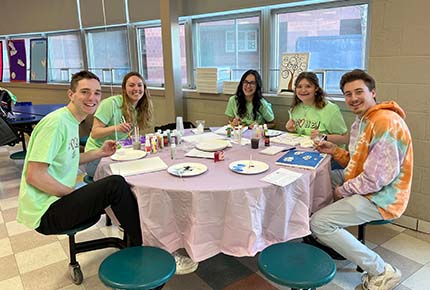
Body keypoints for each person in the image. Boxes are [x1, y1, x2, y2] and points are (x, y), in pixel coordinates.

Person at [310, 69, 413, 290]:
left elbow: (377, 178)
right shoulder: (361, 121)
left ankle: (382, 271)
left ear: (373, 92)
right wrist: (334, 150)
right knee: (316, 179)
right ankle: (322, 238)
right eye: (348, 94)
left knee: (320, 222)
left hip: (382, 197)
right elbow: (355, 161)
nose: (353, 98)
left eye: (359, 92)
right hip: (364, 185)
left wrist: (342, 190)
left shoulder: (385, 122)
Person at [17, 71, 142, 247]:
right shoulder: (56, 123)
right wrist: (72, 194)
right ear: (71, 94)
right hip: (46, 211)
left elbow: (68, 159)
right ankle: (142, 245)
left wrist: (100, 152)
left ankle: (133, 238)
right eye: (85, 92)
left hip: (57, 202)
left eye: (97, 93)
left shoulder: (71, 121)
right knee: (115, 185)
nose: (92, 97)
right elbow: (34, 175)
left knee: (121, 190)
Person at [84, 72, 153, 178]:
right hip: (96, 159)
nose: (136, 88)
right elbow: (95, 133)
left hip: (118, 153)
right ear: (124, 89)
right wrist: (116, 128)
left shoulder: (139, 107)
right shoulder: (111, 104)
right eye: (131, 85)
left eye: (139, 85)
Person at [285, 71, 348, 145]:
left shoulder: (330, 109)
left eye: (308, 86)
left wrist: (323, 137)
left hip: (329, 153)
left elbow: (345, 139)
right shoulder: (295, 108)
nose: (303, 90)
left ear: (316, 88)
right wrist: (291, 130)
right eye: (299, 87)